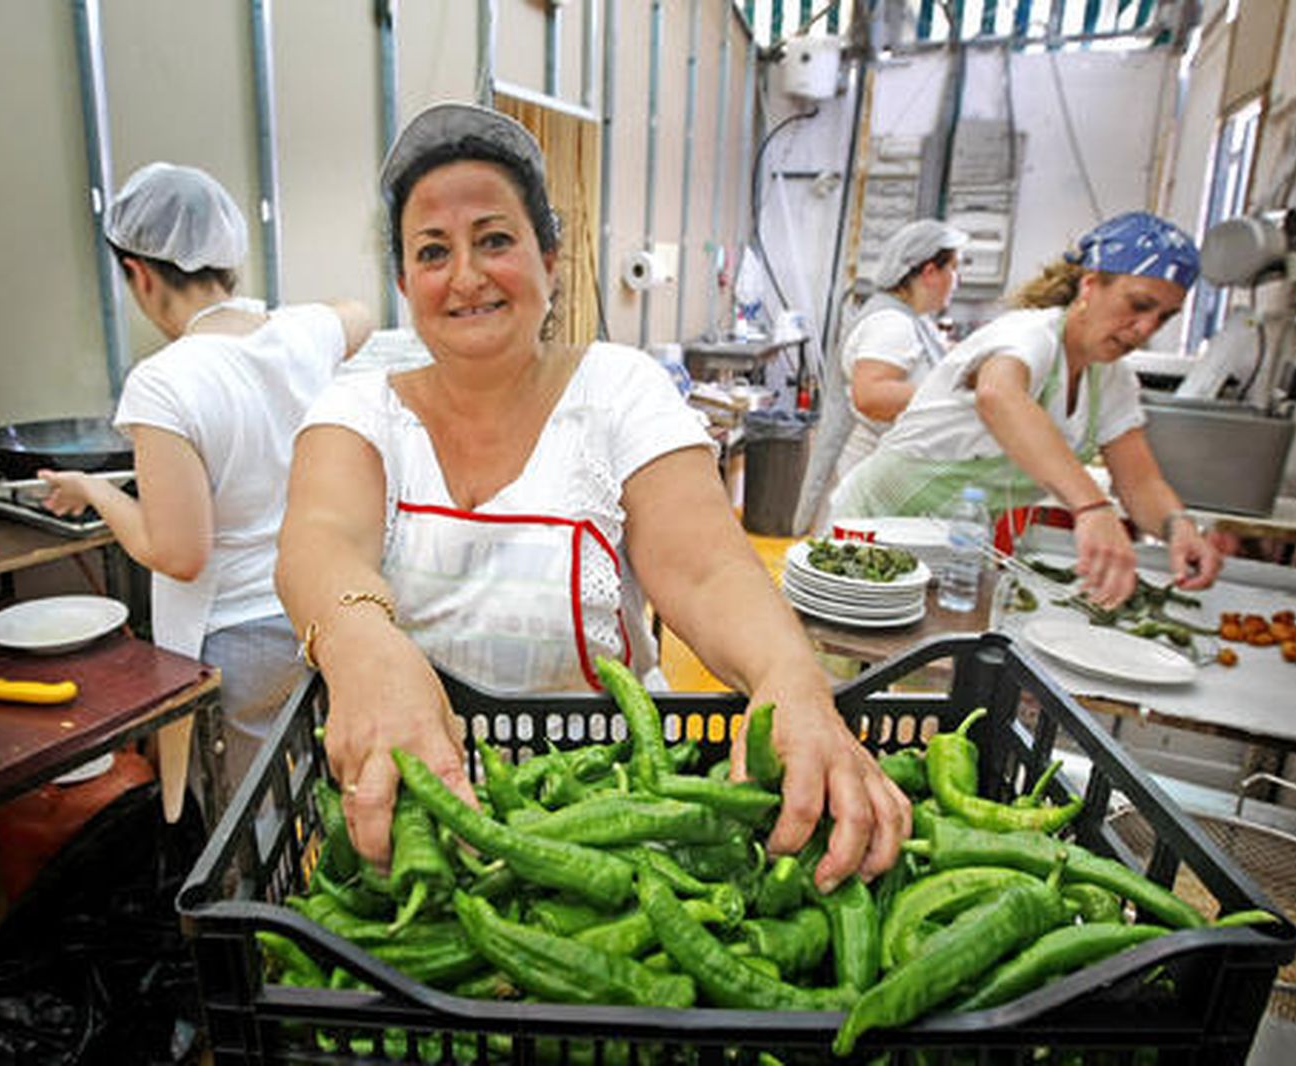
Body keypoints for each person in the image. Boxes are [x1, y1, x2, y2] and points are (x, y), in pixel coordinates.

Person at [275, 103, 908, 891]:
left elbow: (708, 571)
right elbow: (319, 541)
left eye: (495, 240)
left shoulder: (619, 390)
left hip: (614, 823)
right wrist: (363, 646)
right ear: (405, 281)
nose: (466, 276)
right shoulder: (360, 407)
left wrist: (792, 680)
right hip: (416, 820)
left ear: (550, 258)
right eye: (432, 251)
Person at [40, 162, 372, 786]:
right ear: (229, 257)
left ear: (137, 274)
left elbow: (177, 552)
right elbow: (357, 313)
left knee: (251, 820)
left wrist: (95, 489)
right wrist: (302, 328)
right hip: (323, 611)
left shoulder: (164, 382)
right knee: (323, 795)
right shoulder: (302, 334)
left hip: (239, 638)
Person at [828, 211, 1223, 607]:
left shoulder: (1112, 381)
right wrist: (1091, 508)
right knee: (852, 661)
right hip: (875, 527)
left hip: (956, 552)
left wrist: (1179, 527)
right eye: (1138, 305)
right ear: (1089, 286)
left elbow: (1140, 482)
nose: (1145, 328)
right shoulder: (1029, 335)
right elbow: (998, 396)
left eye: (1163, 317)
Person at [794, 219, 967, 533]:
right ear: (929, 272)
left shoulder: (912, 319)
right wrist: (955, 391)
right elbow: (870, 395)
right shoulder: (892, 323)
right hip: (865, 489)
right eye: (953, 268)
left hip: (882, 486)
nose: (958, 280)